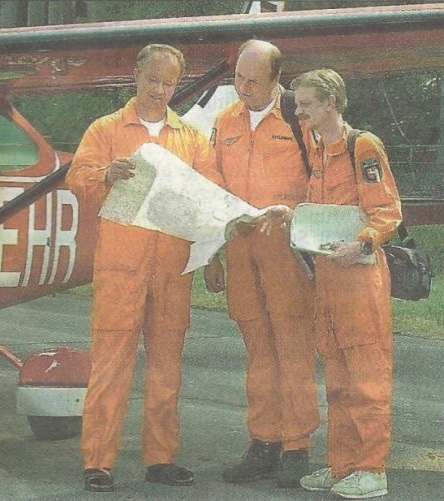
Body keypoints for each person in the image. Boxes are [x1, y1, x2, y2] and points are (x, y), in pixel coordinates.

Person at [65, 43, 214, 493]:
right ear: (136, 76)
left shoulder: (190, 138)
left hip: (172, 271)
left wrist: (215, 250)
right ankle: (98, 461)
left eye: (169, 84)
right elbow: (76, 178)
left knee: (166, 367)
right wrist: (106, 174)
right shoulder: (107, 129)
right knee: (110, 366)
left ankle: (161, 458)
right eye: (153, 80)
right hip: (121, 270)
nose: (160, 91)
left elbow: (210, 198)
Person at [203, 39, 319, 488]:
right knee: (257, 353)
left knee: (293, 350)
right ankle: (264, 442)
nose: (243, 87)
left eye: (253, 80)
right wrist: (212, 254)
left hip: (287, 252)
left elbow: (323, 178)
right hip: (240, 250)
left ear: (276, 80)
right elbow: (211, 193)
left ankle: (296, 447)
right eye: (237, 78)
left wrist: (299, 218)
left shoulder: (297, 118)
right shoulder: (223, 121)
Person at [281, 68, 400, 499]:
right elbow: (326, 210)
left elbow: (387, 210)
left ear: (330, 103)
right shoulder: (317, 148)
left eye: (306, 105)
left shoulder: (361, 145)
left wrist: (364, 242)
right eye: (298, 106)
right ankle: (343, 464)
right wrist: (294, 216)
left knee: (366, 376)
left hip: (359, 278)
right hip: (328, 277)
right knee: (336, 375)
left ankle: (372, 468)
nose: (299, 113)